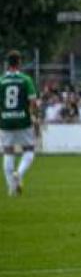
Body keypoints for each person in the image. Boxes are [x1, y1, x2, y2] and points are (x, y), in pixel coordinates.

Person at [1, 50, 39, 196]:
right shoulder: (25, 79)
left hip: (5, 120)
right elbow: (33, 102)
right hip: (23, 120)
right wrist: (34, 117)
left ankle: (11, 189)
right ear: (19, 63)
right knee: (29, 150)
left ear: (7, 63)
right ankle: (19, 173)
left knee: (8, 152)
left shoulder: (1, 81)